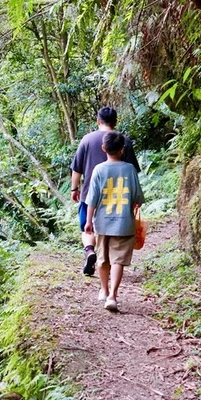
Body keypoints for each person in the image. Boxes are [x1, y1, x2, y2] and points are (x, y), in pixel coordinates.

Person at [70, 107, 140, 276]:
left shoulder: (87, 139)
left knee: (87, 228)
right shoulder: (123, 140)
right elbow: (132, 170)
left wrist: (74, 188)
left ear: (98, 121)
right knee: (113, 229)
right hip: (118, 195)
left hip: (89, 194)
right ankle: (111, 263)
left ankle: (90, 251)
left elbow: (77, 168)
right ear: (115, 122)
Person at [84, 131, 144, 311]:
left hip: (102, 223)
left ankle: (104, 290)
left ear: (103, 148)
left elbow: (92, 199)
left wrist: (88, 221)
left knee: (103, 259)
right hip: (124, 223)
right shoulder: (130, 169)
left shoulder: (98, 169)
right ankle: (113, 296)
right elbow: (138, 198)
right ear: (123, 149)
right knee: (118, 261)